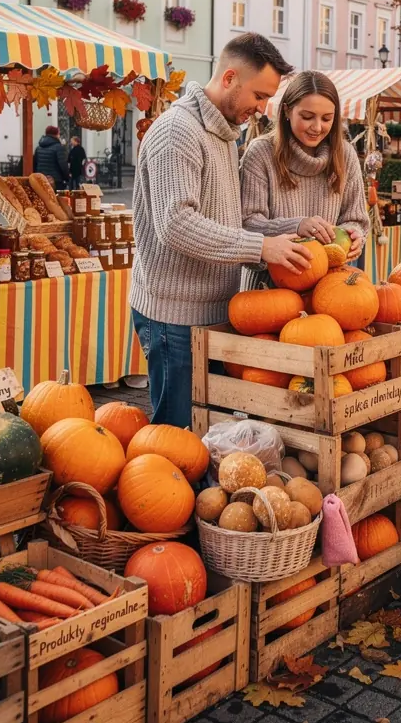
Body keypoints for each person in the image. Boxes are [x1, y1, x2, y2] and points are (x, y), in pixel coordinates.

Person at [130, 32, 310, 427]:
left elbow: (229, 219)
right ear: (229, 78)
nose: (261, 109)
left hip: (213, 312)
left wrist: (293, 229)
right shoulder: (178, 131)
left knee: (208, 432)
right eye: (259, 96)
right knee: (178, 432)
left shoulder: (224, 133)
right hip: (174, 317)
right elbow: (177, 225)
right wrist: (260, 247)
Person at [240, 71, 370, 265]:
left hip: (329, 278)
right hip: (270, 278)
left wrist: (354, 235)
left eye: (326, 119)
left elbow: (356, 220)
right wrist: (297, 226)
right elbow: (247, 223)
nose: (317, 127)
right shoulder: (261, 153)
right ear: (286, 111)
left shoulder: (346, 155)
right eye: (307, 117)